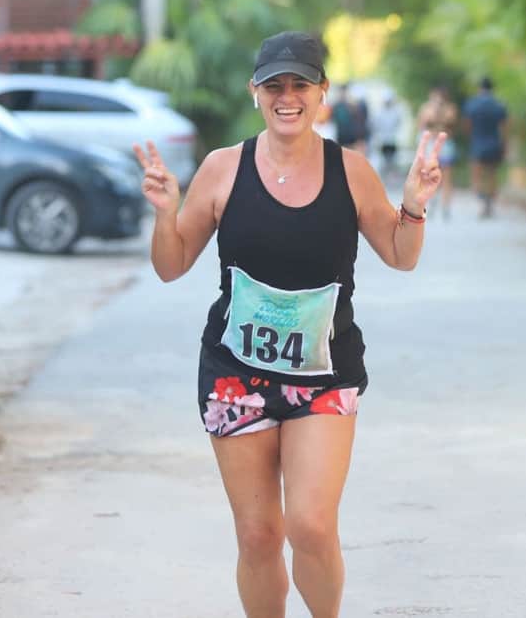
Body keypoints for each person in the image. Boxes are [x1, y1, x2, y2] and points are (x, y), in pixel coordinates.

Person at [132, 30, 445, 618]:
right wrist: (167, 213)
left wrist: (415, 204)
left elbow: (400, 255)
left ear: (321, 92)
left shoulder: (351, 171)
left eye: (300, 83)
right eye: (274, 84)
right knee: (257, 536)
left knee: (310, 526)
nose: (287, 96)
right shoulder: (223, 170)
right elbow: (171, 266)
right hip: (234, 373)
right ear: (256, 92)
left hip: (324, 376)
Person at [462, 76, 509, 219]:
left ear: (479, 88)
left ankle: (482, 201)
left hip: (478, 143)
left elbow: (467, 125)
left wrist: (471, 137)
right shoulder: (499, 105)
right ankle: (489, 203)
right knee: (492, 174)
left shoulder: (472, 104)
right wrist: (504, 145)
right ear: (492, 88)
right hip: (494, 143)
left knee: (477, 173)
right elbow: (504, 128)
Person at [416, 85, 459, 219]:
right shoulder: (426, 108)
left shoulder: (450, 108)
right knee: (429, 176)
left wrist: (440, 112)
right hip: (430, 145)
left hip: (445, 144)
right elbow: (423, 124)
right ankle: (431, 203)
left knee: (446, 177)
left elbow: (450, 122)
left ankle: (446, 206)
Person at [369, 94, 404, 184]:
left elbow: (398, 123)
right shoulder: (380, 113)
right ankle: (383, 179)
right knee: (383, 160)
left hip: (391, 139)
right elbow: (375, 125)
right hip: (383, 139)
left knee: (392, 160)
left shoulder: (394, 112)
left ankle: (389, 179)